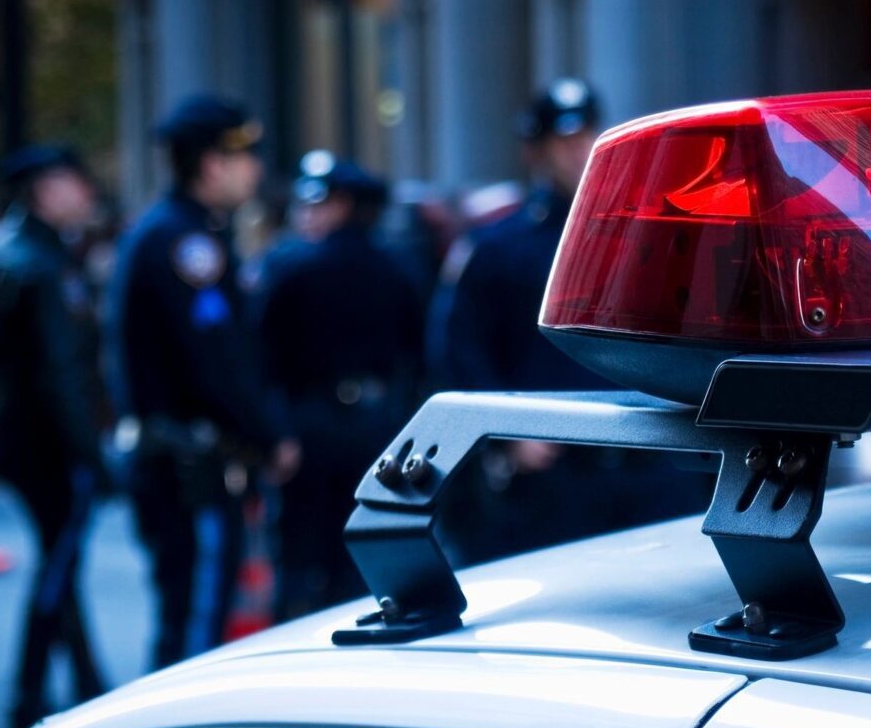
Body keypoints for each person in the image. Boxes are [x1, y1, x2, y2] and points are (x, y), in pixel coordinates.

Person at [430, 78, 709, 563]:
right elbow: (461, 350)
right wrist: (504, 433)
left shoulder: (651, 230)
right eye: (565, 143)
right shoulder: (499, 247)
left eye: (586, 138)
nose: (579, 153)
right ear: (538, 152)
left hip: (652, 466)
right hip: (556, 477)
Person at [110, 94, 299, 670]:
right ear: (212, 164)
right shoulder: (183, 242)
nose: (256, 169)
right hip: (188, 462)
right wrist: (270, 438)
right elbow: (215, 363)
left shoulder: (184, 232)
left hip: (186, 457)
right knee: (192, 629)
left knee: (194, 613)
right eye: (244, 156)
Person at [0, 145, 108, 728]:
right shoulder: (36, 261)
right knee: (58, 562)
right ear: (47, 190)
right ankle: (27, 698)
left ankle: (84, 682)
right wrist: (91, 453)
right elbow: (60, 372)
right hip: (49, 444)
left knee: (60, 560)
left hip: (22, 438)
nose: (85, 194)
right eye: (74, 183)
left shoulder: (5, 251)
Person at [256, 153, 423, 617]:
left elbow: (262, 358)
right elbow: (420, 353)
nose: (307, 216)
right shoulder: (396, 265)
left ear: (343, 205)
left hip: (307, 426)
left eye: (317, 205)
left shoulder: (288, 266)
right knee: (364, 556)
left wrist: (275, 432)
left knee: (301, 559)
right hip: (377, 425)